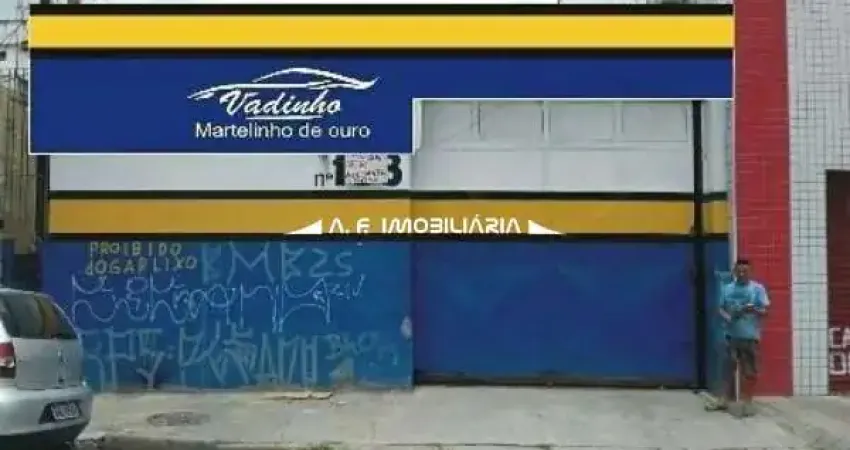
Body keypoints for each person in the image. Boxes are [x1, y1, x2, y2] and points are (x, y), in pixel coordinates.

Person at [708, 258, 769, 416]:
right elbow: (720, 308)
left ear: (750, 272)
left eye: (745, 271)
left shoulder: (757, 289)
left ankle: (747, 403)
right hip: (730, 336)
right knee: (727, 369)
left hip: (750, 337)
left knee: (749, 372)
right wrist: (727, 317)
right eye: (739, 271)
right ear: (734, 271)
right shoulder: (727, 288)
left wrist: (753, 309)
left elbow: (765, 311)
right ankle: (723, 400)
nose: (742, 274)